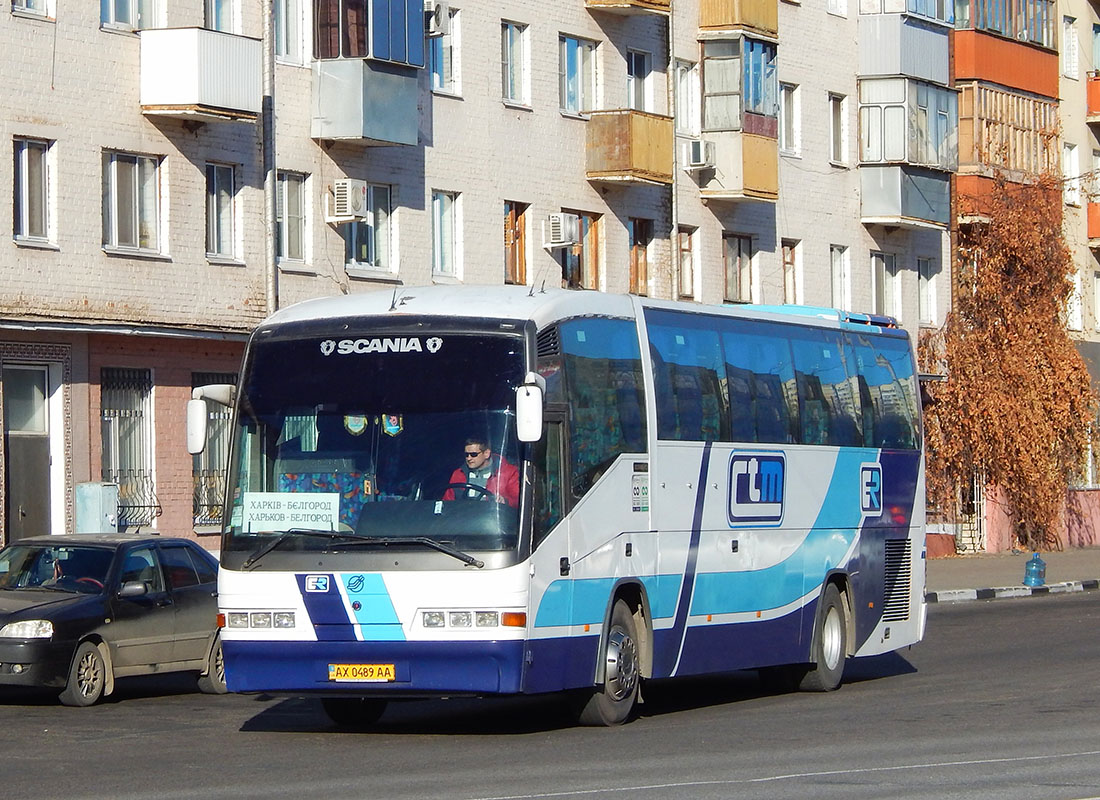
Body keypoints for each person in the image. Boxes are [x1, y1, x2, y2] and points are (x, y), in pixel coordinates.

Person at [442, 437, 519, 507]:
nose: (469, 458)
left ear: (486, 454)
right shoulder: (458, 474)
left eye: (473, 454)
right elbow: (447, 503)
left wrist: (504, 501)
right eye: (466, 455)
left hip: (493, 518)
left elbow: (518, 500)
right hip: (462, 518)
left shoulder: (509, 472)